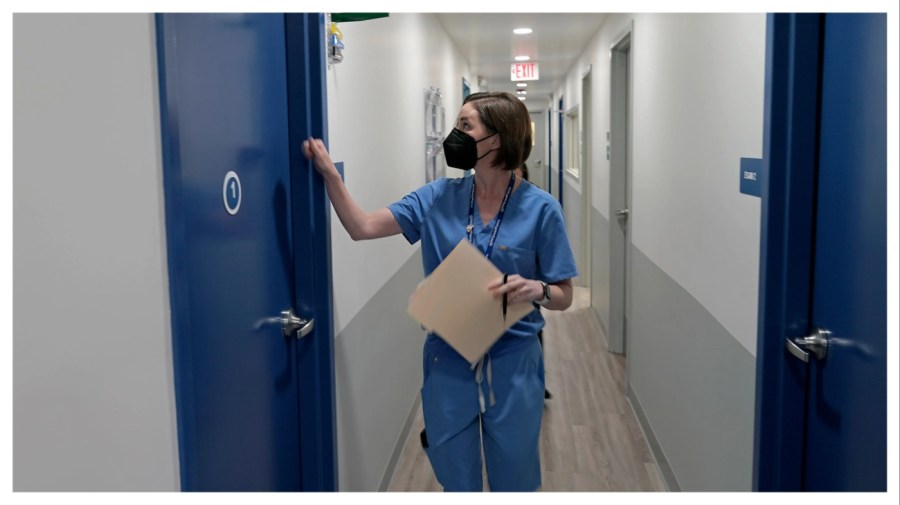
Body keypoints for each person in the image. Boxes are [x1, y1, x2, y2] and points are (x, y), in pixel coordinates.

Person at [303, 91, 577, 492]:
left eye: (466, 126)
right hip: (448, 360)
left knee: (514, 480)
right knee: (456, 480)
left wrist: (537, 288)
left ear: (497, 139)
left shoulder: (542, 209)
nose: (455, 134)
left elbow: (564, 294)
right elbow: (361, 227)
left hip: (513, 363)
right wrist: (331, 176)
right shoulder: (437, 197)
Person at [513, 162, 553, 401]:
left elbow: (561, 294)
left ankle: (536, 383)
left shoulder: (538, 204)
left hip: (528, 283)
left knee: (531, 330)